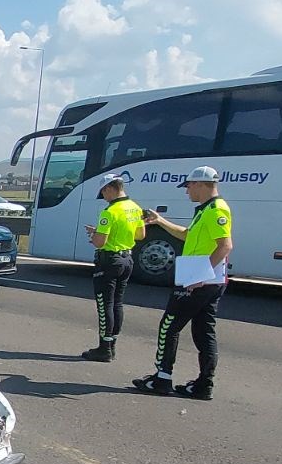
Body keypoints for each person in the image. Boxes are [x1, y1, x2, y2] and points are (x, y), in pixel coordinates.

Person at [132, 166, 234, 400]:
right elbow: (188, 235)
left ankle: (162, 378)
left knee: (169, 326)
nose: (187, 190)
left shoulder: (217, 210)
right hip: (206, 279)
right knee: (203, 332)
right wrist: (160, 222)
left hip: (199, 281)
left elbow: (225, 245)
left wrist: (200, 276)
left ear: (199, 184)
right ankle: (203, 385)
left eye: (188, 186)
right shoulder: (204, 210)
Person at [80, 174, 145, 361]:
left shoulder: (109, 212)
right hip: (127, 260)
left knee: (104, 304)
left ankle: (104, 348)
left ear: (109, 189)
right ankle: (112, 343)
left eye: (103, 193)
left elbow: (100, 242)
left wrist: (95, 235)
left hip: (109, 261)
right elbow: (140, 234)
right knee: (117, 302)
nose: (104, 197)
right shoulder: (135, 208)